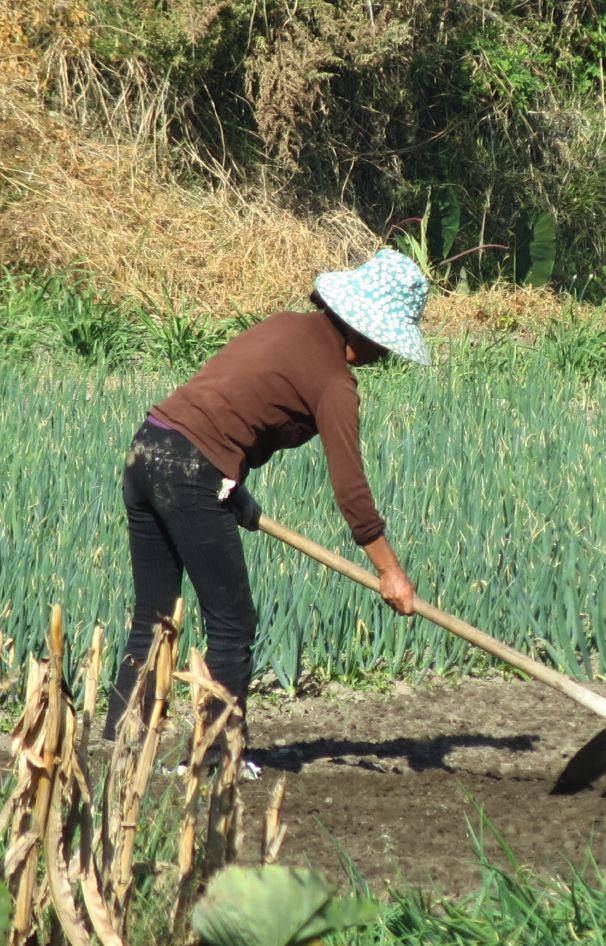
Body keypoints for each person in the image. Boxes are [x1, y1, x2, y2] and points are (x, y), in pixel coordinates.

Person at [102, 248, 431, 752]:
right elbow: (351, 491)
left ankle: (119, 748)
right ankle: (219, 758)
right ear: (366, 331)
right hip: (192, 471)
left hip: (148, 447)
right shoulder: (335, 383)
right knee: (232, 624)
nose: (385, 355)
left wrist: (234, 487)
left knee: (155, 614)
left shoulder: (283, 326)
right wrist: (390, 570)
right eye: (386, 342)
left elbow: (224, 408)